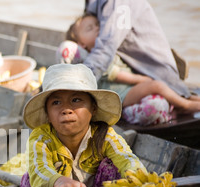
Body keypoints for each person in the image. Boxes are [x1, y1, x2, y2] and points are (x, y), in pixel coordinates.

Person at [20, 63, 147, 187]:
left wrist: (137, 176)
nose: (66, 110)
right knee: (30, 179)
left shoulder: (104, 134)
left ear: (93, 108)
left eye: (76, 100)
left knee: (113, 167)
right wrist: (59, 180)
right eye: (56, 102)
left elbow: (125, 158)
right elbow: (39, 169)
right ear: (47, 114)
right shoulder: (41, 138)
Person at [63, 13, 200, 124]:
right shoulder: (96, 59)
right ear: (81, 44)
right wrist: (144, 80)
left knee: (164, 90)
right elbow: (120, 75)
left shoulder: (110, 49)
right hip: (121, 95)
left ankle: (191, 101)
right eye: (90, 28)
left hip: (128, 91)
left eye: (98, 24)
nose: (97, 28)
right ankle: (186, 105)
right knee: (157, 85)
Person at [83, 0, 192, 99]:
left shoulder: (118, 2)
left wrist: (78, 83)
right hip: (128, 78)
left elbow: (105, 49)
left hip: (157, 81)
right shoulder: (92, 4)